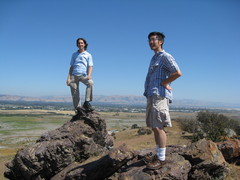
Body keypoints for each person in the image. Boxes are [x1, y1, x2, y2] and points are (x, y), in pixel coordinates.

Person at [143, 32, 182, 170]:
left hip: (159, 95)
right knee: (154, 126)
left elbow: (177, 72)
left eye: (153, 39)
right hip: (152, 95)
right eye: (149, 40)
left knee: (159, 127)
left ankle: (161, 159)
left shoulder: (165, 56)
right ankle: (158, 154)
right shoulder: (154, 58)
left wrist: (165, 82)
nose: (151, 42)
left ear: (161, 42)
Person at [66, 37, 94, 112]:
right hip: (73, 75)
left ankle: (87, 102)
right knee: (75, 94)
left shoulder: (88, 55)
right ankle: (78, 110)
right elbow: (71, 66)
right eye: (79, 43)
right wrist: (68, 78)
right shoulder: (74, 54)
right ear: (77, 45)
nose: (80, 44)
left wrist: (89, 75)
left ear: (84, 44)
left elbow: (90, 66)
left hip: (83, 75)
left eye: (81, 43)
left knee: (90, 83)